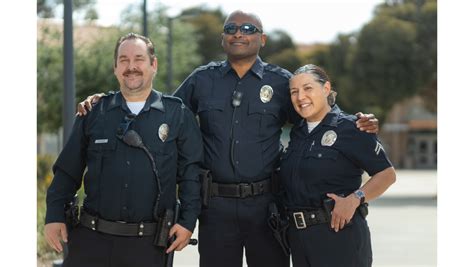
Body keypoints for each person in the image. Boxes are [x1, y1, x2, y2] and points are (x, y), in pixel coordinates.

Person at [76, 11, 379, 267]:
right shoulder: (202, 79)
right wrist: (108, 100)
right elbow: (160, 112)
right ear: (222, 39)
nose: (238, 34)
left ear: (262, 39)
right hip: (216, 208)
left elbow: (315, 110)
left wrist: (355, 122)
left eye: (248, 29)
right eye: (231, 29)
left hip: (268, 207)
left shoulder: (281, 81)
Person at [44, 33, 203, 267]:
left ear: (153, 64)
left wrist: (188, 221)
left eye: (139, 59)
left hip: (148, 246)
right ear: (115, 68)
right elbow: (68, 170)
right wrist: (54, 215)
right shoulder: (93, 113)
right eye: (123, 60)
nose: (131, 67)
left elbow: (191, 173)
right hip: (91, 241)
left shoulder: (177, 115)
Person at [280, 64, 396, 267]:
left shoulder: (352, 127)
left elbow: (387, 174)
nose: (300, 97)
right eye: (294, 92)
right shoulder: (298, 133)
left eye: (308, 88)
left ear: (326, 89)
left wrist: (355, 199)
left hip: (339, 236)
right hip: (300, 240)